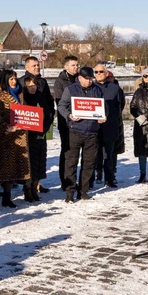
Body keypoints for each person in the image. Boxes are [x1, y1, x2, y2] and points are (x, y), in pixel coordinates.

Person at [57, 66, 105, 202]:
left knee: (89, 163)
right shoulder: (70, 89)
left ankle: (83, 190)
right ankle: (70, 191)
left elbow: (103, 107)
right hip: (75, 131)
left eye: (91, 79)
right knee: (71, 162)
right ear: (79, 78)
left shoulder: (97, 90)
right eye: (87, 79)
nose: (89, 81)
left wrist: (103, 116)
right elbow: (61, 106)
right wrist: (69, 115)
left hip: (92, 132)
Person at [0, 69, 30, 208]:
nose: (14, 81)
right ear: (4, 81)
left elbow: (26, 113)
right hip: (2, 138)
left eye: (15, 78)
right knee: (0, 169)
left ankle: (7, 197)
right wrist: (6, 128)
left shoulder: (20, 95)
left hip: (18, 136)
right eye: (11, 79)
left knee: (13, 168)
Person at [20, 56, 54, 198]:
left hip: (41, 128)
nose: (37, 67)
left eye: (38, 65)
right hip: (28, 130)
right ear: (27, 67)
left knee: (40, 158)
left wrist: (48, 121)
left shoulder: (43, 82)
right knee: (30, 160)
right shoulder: (22, 82)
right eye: (34, 65)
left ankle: (36, 185)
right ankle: (28, 188)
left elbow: (48, 103)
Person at [93, 63, 125, 188]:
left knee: (109, 155)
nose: (99, 74)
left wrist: (112, 119)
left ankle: (109, 179)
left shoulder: (115, 88)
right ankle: (94, 177)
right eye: (96, 72)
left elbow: (120, 106)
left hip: (110, 126)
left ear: (106, 74)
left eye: (101, 72)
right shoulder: (90, 87)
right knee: (95, 155)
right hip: (94, 128)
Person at [53, 55, 79, 187]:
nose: (76, 67)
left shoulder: (80, 79)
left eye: (77, 65)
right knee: (67, 151)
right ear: (66, 66)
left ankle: (75, 177)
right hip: (66, 122)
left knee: (77, 152)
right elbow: (59, 102)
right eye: (73, 65)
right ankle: (65, 180)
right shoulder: (60, 81)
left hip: (80, 121)